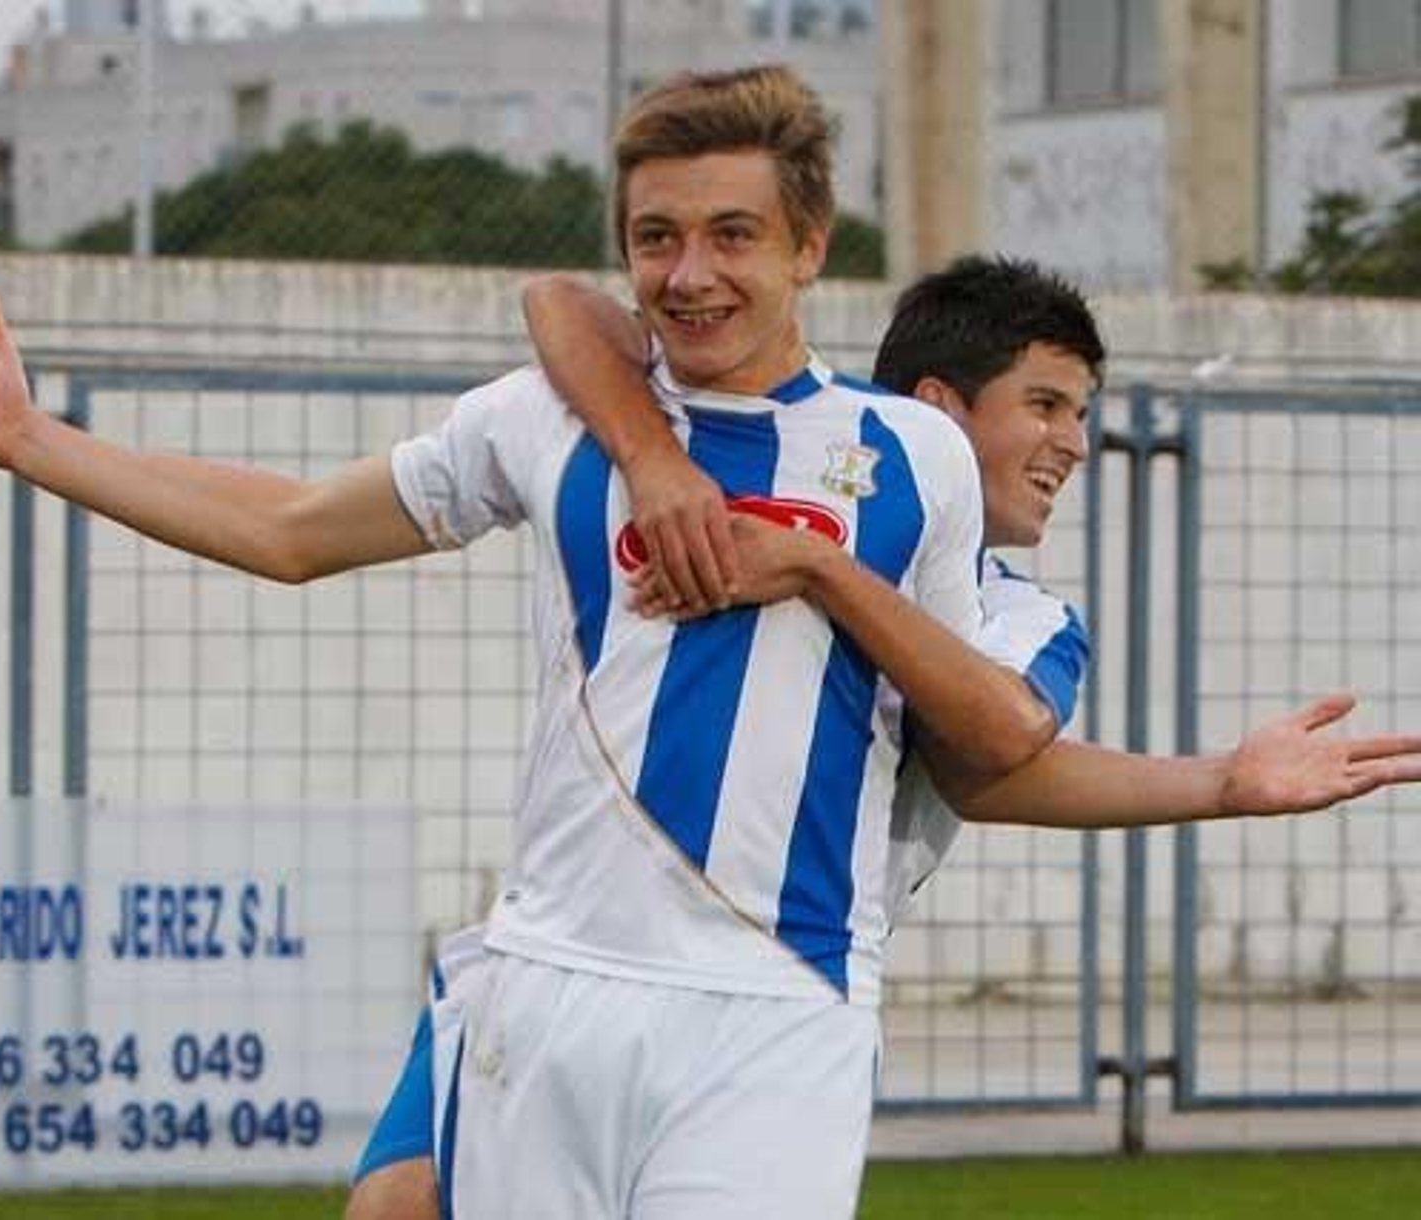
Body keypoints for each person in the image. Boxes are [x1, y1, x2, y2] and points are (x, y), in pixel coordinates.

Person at [0, 67, 1064, 1220]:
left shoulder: (915, 456)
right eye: (655, 238)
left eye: (732, 235)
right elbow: (291, 528)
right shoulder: (548, 419)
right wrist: (31, 439)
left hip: (779, 999)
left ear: (809, 246)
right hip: (545, 991)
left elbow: (970, 721)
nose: (689, 274)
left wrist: (814, 566)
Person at [343, 253, 1421, 1220]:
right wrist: (647, 451)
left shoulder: (1022, 619)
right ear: (940, 411)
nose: (1073, 443)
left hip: (756, 1000)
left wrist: (1225, 780)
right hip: (552, 961)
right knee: (397, 1201)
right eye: (1045, 404)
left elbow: (995, 762)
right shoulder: (781, 450)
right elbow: (561, 306)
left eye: (1082, 413)